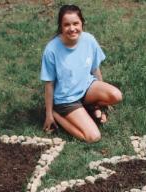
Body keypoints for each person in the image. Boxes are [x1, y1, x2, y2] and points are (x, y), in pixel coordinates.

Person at [40, 4, 122, 143]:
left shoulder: (89, 40)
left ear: (82, 23)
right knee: (93, 136)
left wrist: (102, 99)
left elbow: (95, 69)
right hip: (66, 100)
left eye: (76, 23)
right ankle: (58, 114)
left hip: (86, 88)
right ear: (60, 26)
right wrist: (49, 115)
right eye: (66, 25)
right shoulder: (51, 50)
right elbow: (49, 84)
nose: (72, 28)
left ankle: (91, 106)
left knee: (116, 96)